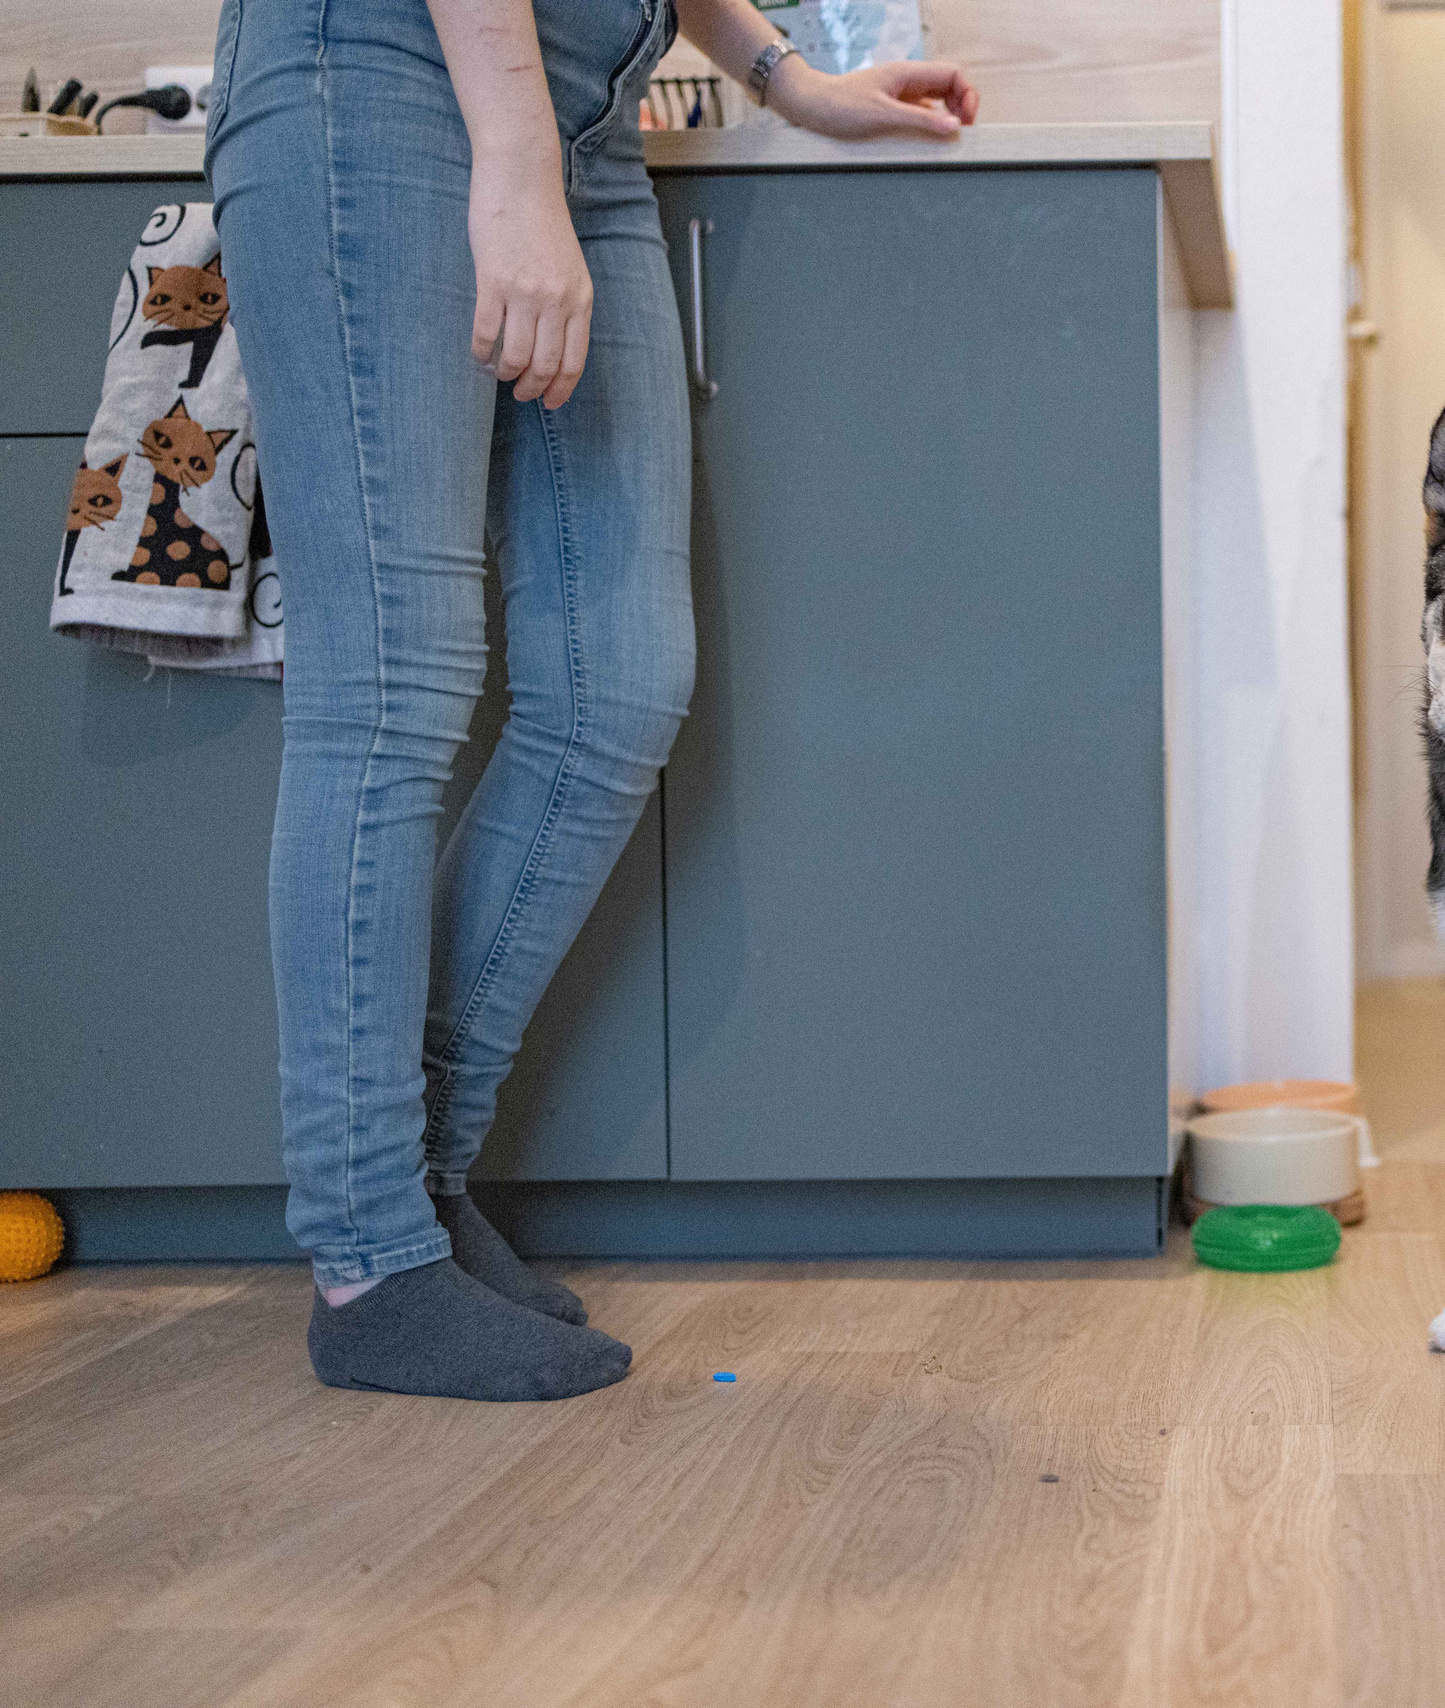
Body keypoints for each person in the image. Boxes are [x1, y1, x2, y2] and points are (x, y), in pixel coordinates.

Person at [206, 0, 977, 1400]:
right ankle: (368, 1255)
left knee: (617, 679)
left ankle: (422, 1183)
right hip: (379, 79)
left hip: (586, 123)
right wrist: (509, 160)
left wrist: (785, 76)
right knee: (390, 680)